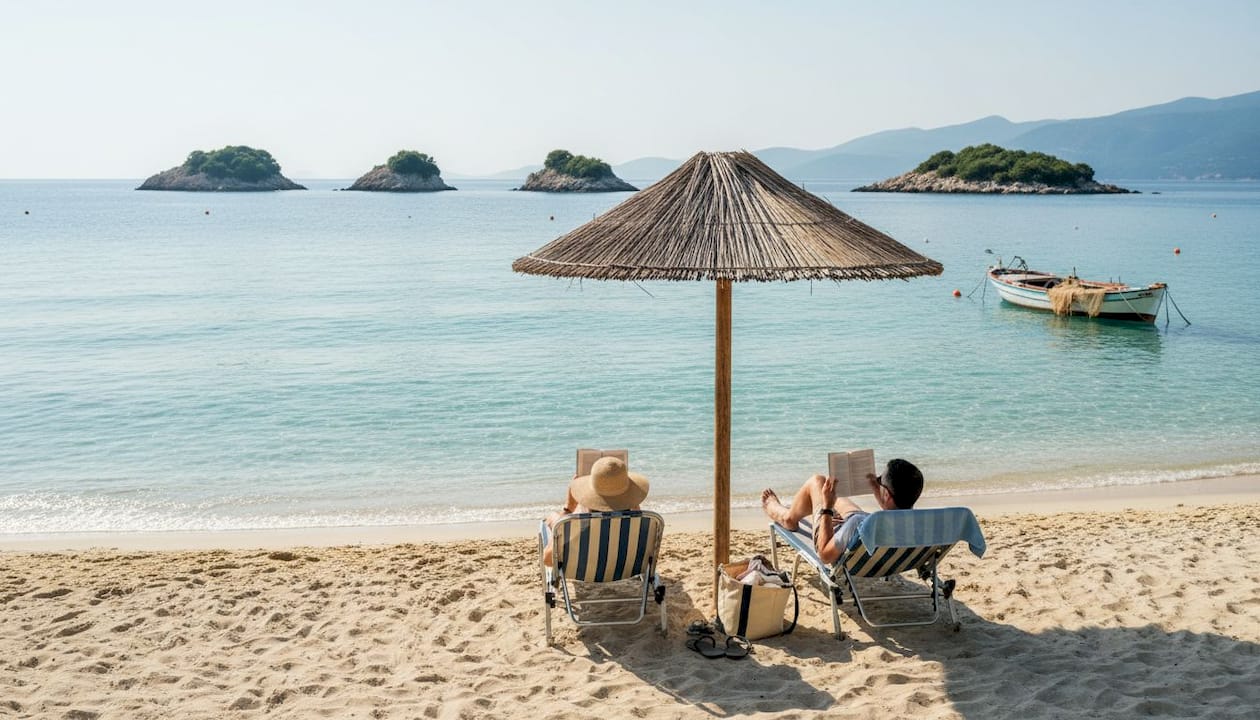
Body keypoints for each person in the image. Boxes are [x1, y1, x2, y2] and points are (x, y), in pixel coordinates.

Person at [761, 458, 924, 565]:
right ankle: (799, 511)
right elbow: (894, 509)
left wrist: (827, 508)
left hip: (841, 535)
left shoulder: (859, 525)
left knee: (817, 481)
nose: (878, 480)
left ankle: (787, 518)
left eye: (880, 480)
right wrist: (879, 492)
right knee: (829, 488)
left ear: (887, 495)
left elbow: (825, 555)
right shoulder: (920, 524)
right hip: (863, 533)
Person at [542, 456, 649, 566]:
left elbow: (548, 560)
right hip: (626, 569)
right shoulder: (642, 526)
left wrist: (568, 509)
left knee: (551, 519)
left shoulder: (576, 527)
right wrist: (632, 500)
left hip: (584, 571)